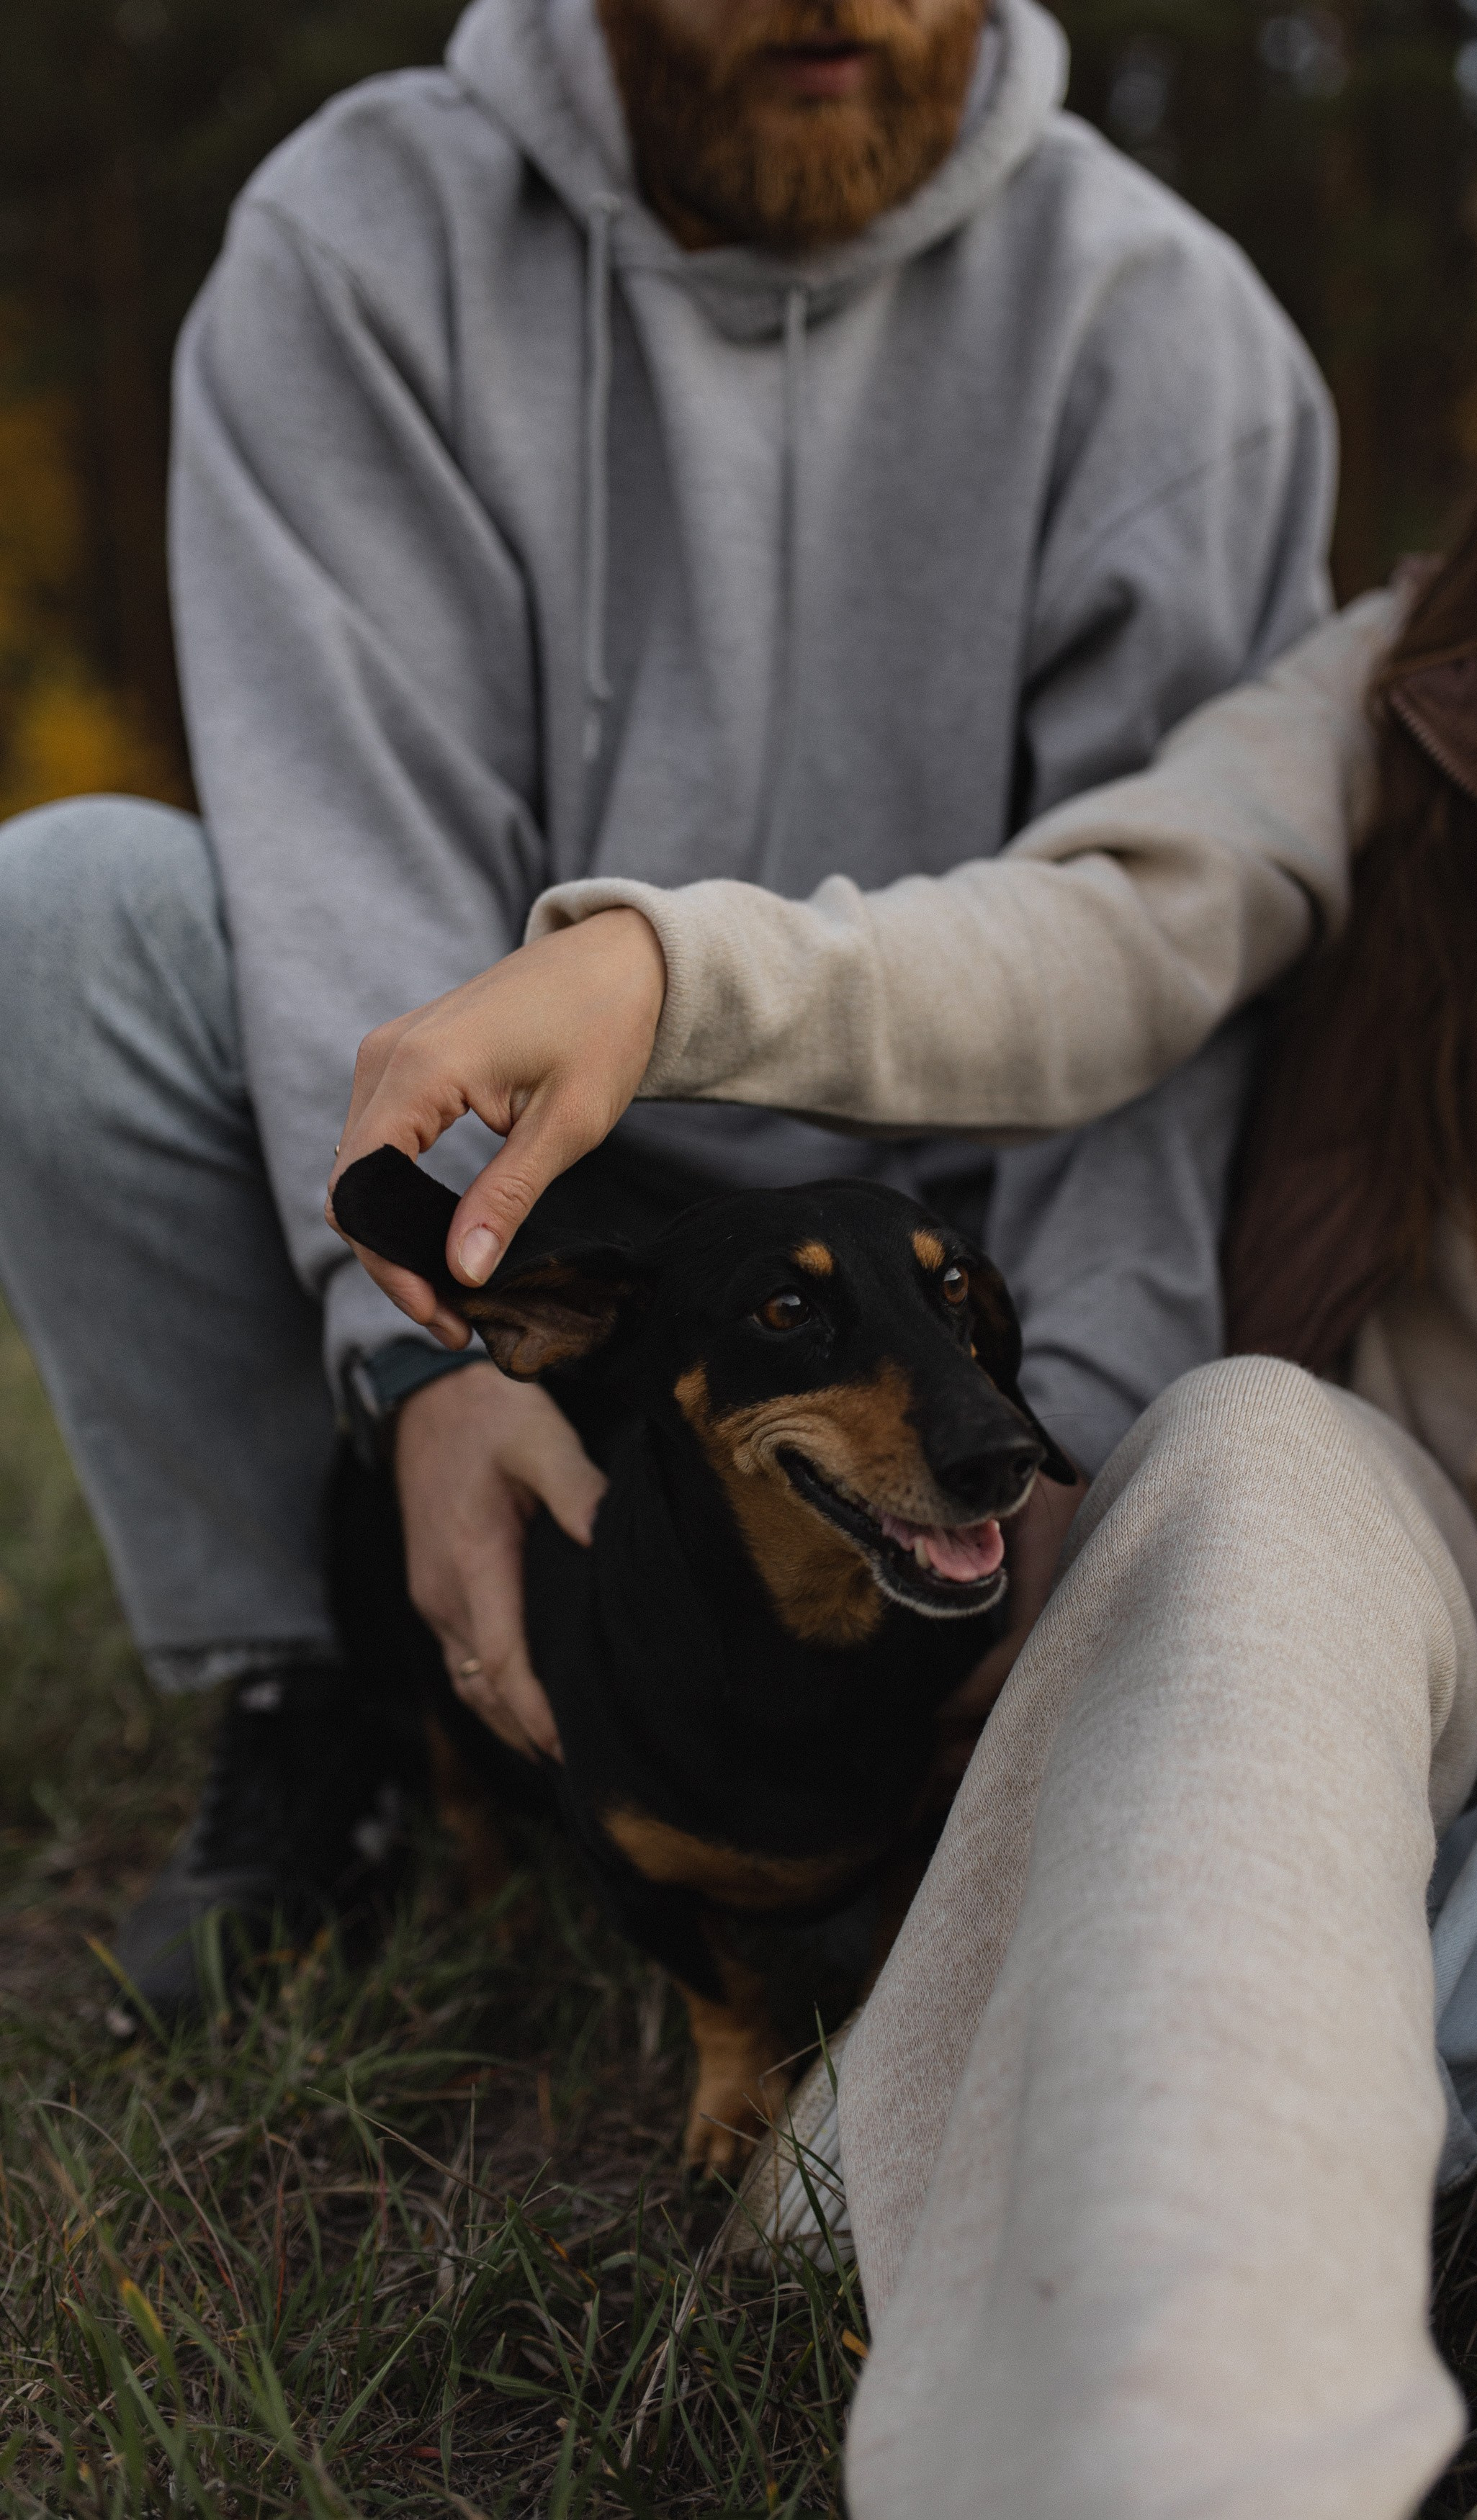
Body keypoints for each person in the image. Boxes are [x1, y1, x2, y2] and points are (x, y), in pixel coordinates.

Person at [332, 35, 1477, 2516]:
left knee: (1379, 1934)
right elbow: (1091, 935)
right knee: (1244, 1486)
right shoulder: (1411, 690)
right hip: (1389, 1560)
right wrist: (674, 978)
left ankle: (1094, 2055)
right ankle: (1191, 2449)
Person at [0, 0, 1337, 2005]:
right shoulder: (360, 244)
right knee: (69, 913)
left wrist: (1092, 1456)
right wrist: (428, 1364)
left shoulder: (1172, 335)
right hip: (538, 1192)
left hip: (936, 1245)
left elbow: (1152, 979)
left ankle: (978, 1739)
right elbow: (345, 847)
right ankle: (324, 1708)